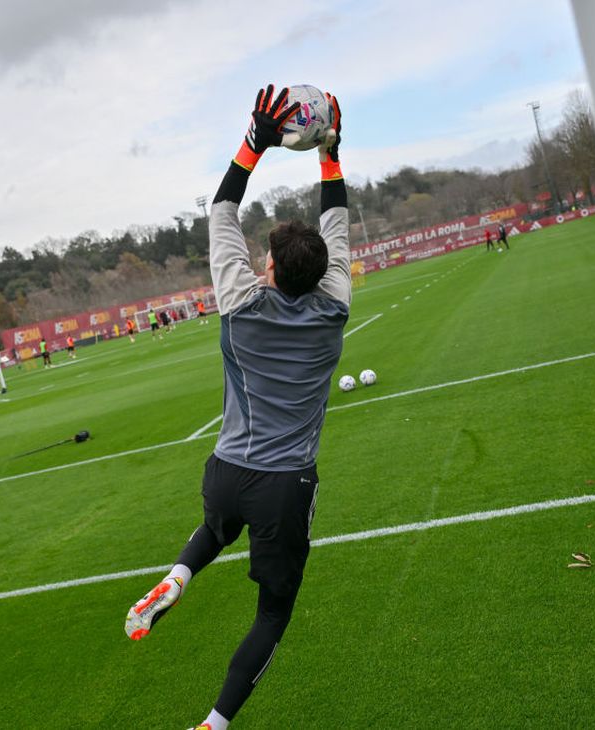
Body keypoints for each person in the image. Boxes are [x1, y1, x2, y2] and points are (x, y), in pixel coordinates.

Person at [124, 85, 348, 730]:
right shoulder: (335, 304)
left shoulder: (239, 301)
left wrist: (255, 142)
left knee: (219, 526)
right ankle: (213, 724)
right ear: (322, 269)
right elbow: (334, 217)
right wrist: (330, 150)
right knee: (273, 613)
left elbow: (223, 209)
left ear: (268, 266)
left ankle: (178, 575)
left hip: (225, 470)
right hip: (284, 485)